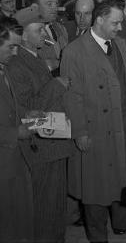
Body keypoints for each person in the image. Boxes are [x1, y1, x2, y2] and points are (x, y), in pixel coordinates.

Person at [61, 0, 126, 242]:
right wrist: (79, 131)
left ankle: (124, 223)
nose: (120, 27)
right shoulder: (74, 52)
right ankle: (98, 236)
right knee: (96, 185)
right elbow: (71, 96)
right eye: (115, 22)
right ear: (99, 20)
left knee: (125, 177)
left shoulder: (119, 43)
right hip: (97, 128)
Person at [7, 18, 73, 243]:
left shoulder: (34, 57)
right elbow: (27, 109)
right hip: (42, 146)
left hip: (51, 142)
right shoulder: (16, 64)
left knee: (54, 206)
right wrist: (56, 84)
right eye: (38, 30)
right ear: (23, 36)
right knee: (46, 206)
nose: (45, 33)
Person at [0, 19, 35, 243]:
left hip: (14, 160)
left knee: (20, 219)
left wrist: (28, 115)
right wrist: (15, 134)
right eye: (10, 47)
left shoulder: (4, 69)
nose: (15, 52)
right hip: (4, 160)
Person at [16, 0, 68, 73]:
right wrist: (49, 65)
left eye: (56, 3)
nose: (55, 8)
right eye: (49, 4)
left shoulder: (61, 28)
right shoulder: (25, 32)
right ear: (35, 7)